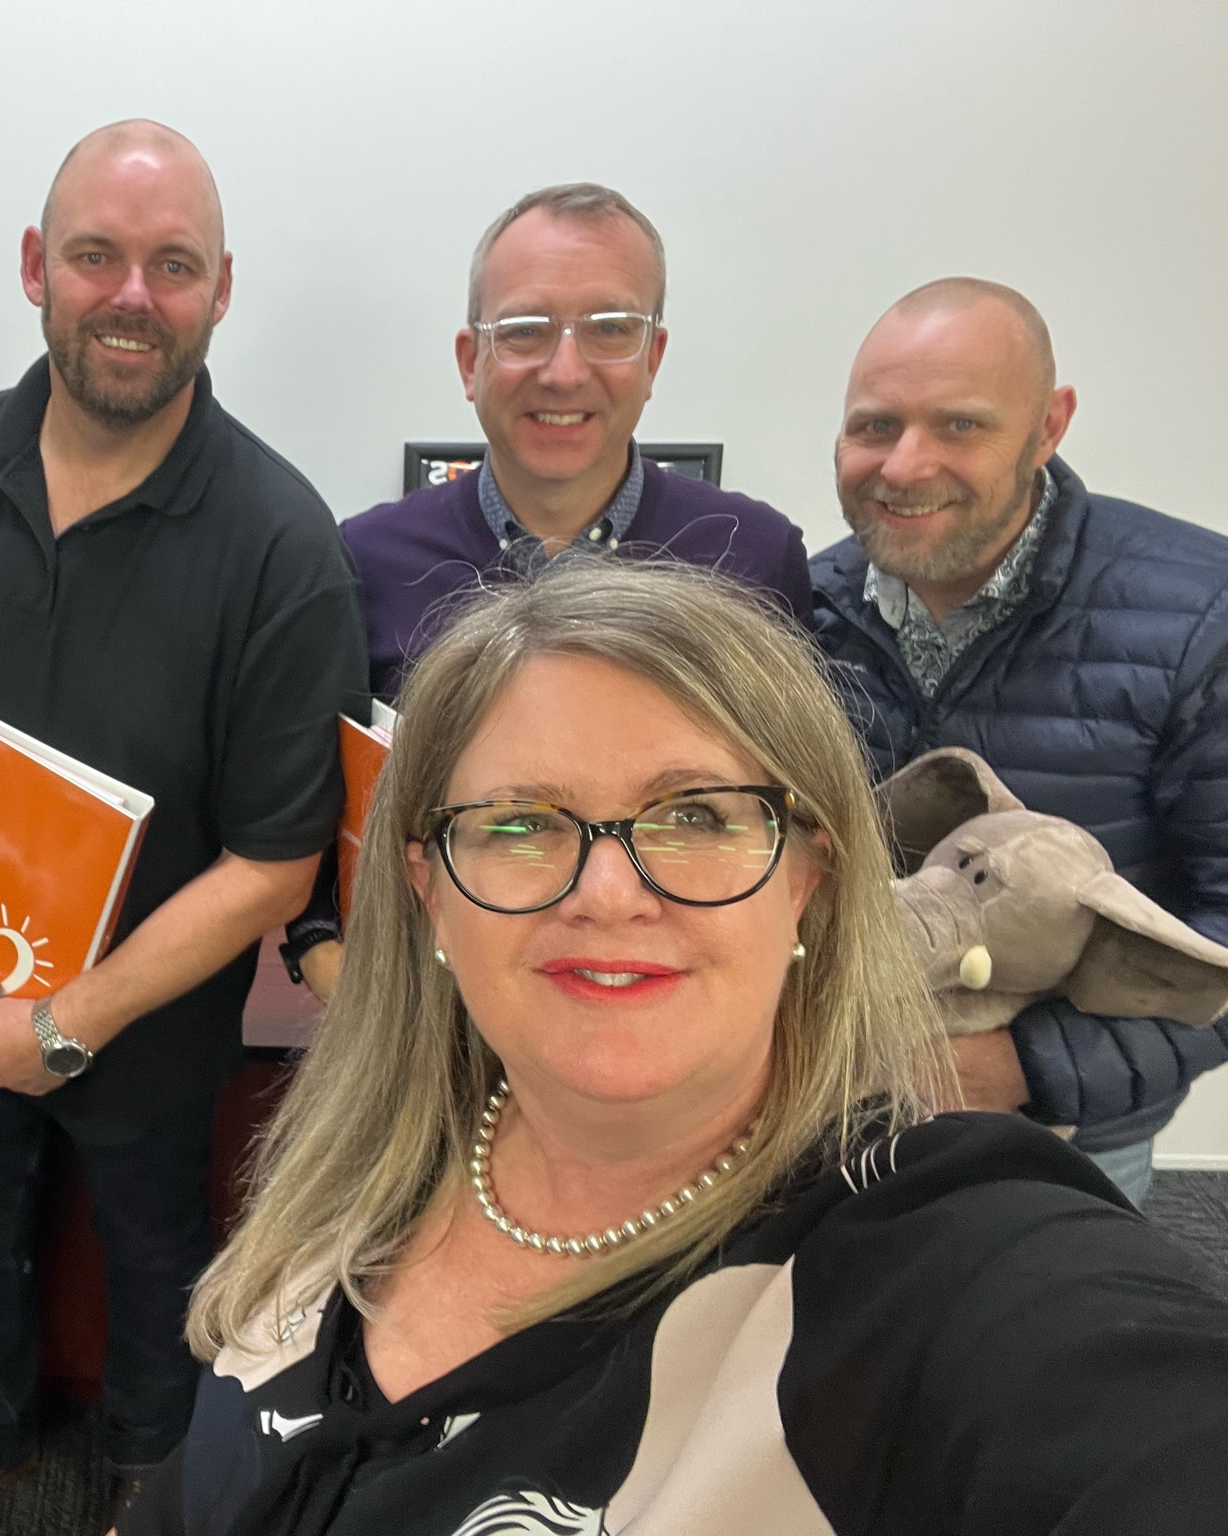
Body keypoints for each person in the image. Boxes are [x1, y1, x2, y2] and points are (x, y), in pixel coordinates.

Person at [120, 559, 1228, 1536]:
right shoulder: (365, 1158)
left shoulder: (937, 1255)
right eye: (520, 823)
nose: (608, 893)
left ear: (808, 878)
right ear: (430, 890)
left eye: (695, 816)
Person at [0, 120, 364, 1534]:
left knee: (157, 1255)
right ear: (35, 266)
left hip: (148, 1021)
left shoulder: (282, 543)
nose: (131, 296)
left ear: (221, 289)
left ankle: (143, 1472)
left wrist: (68, 1024)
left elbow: (274, 862)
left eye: (173, 265)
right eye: (97, 256)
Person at [284, 182, 813, 999]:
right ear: (470, 362)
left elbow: (796, 821)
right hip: (428, 1017)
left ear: (652, 359)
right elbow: (313, 827)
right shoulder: (361, 560)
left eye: (609, 329)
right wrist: (332, 965)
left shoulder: (751, 558)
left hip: (661, 1005)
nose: (564, 372)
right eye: (524, 330)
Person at [812, 277, 1227, 1206]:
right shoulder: (802, 607)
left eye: (959, 425)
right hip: (829, 1112)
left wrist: (1026, 1066)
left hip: (1065, 1141)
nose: (903, 466)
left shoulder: (1201, 619)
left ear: (1048, 426)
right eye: (875, 426)